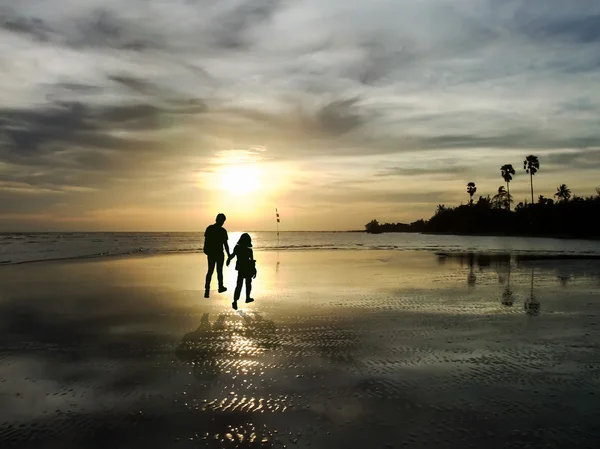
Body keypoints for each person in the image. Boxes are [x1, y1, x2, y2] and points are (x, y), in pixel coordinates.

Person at [226, 233, 257, 310]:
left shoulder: (237, 248)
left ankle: (235, 301)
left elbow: (232, 255)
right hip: (248, 268)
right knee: (248, 283)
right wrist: (254, 270)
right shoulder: (249, 250)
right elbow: (252, 261)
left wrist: (228, 259)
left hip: (241, 268)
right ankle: (247, 297)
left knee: (239, 285)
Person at [203, 213, 230, 298]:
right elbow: (225, 244)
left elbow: (206, 241)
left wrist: (205, 250)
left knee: (212, 271)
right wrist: (229, 255)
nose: (222, 223)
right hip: (216, 253)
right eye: (222, 221)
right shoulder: (221, 231)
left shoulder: (210, 228)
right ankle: (218, 287)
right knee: (217, 271)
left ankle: (208, 290)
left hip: (213, 253)